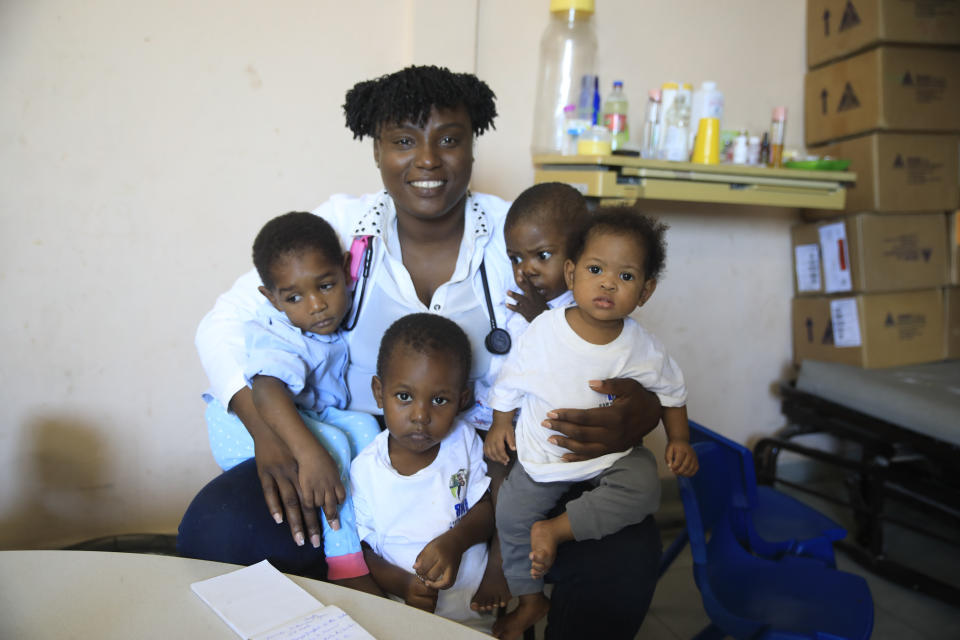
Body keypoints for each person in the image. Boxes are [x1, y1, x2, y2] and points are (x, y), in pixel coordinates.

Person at [180, 65, 663, 639]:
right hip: (359, 462)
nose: (427, 160)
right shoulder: (341, 228)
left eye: (450, 139)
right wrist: (269, 432)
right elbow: (223, 325)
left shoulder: (524, 232)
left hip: (500, 457)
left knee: (625, 548)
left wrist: (645, 408)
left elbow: (604, 317)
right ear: (377, 151)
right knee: (217, 527)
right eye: (403, 141)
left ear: (473, 148)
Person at [484, 208, 698, 638]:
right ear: (571, 272)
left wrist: (679, 439)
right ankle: (530, 601)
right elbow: (511, 382)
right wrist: (500, 425)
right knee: (509, 512)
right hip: (544, 454)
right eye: (596, 269)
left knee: (644, 486)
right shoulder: (544, 331)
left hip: (610, 458)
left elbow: (673, 393)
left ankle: (556, 530)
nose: (607, 283)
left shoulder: (642, 347)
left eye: (625, 276)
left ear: (645, 291)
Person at [206, 211, 380, 584]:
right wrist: (309, 452)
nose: (316, 305)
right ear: (271, 298)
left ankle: (374, 536)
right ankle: (346, 564)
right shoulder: (278, 332)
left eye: (326, 286)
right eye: (295, 296)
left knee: (365, 427)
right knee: (331, 443)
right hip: (246, 424)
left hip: (304, 415)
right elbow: (267, 393)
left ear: (346, 269)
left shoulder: (325, 327)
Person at [350, 313, 494, 633]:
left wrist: (456, 542)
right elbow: (361, 553)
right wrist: (402, 585)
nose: (420, 416)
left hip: (472, 621)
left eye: (440, 400)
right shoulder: (366, 470)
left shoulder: (463, 440)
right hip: (403, 621)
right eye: (404, 396)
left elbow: (486, 509)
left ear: (463, 400)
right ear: (378, 391)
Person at [467, 182, 588, 431]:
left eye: (542, 256)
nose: (526, 270)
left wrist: (540, 319)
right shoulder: (517, 298)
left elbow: (577, 364)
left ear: (578, 252)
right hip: (493, 413)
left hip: (539, 423)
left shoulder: (584, 307)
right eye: (516, 258)